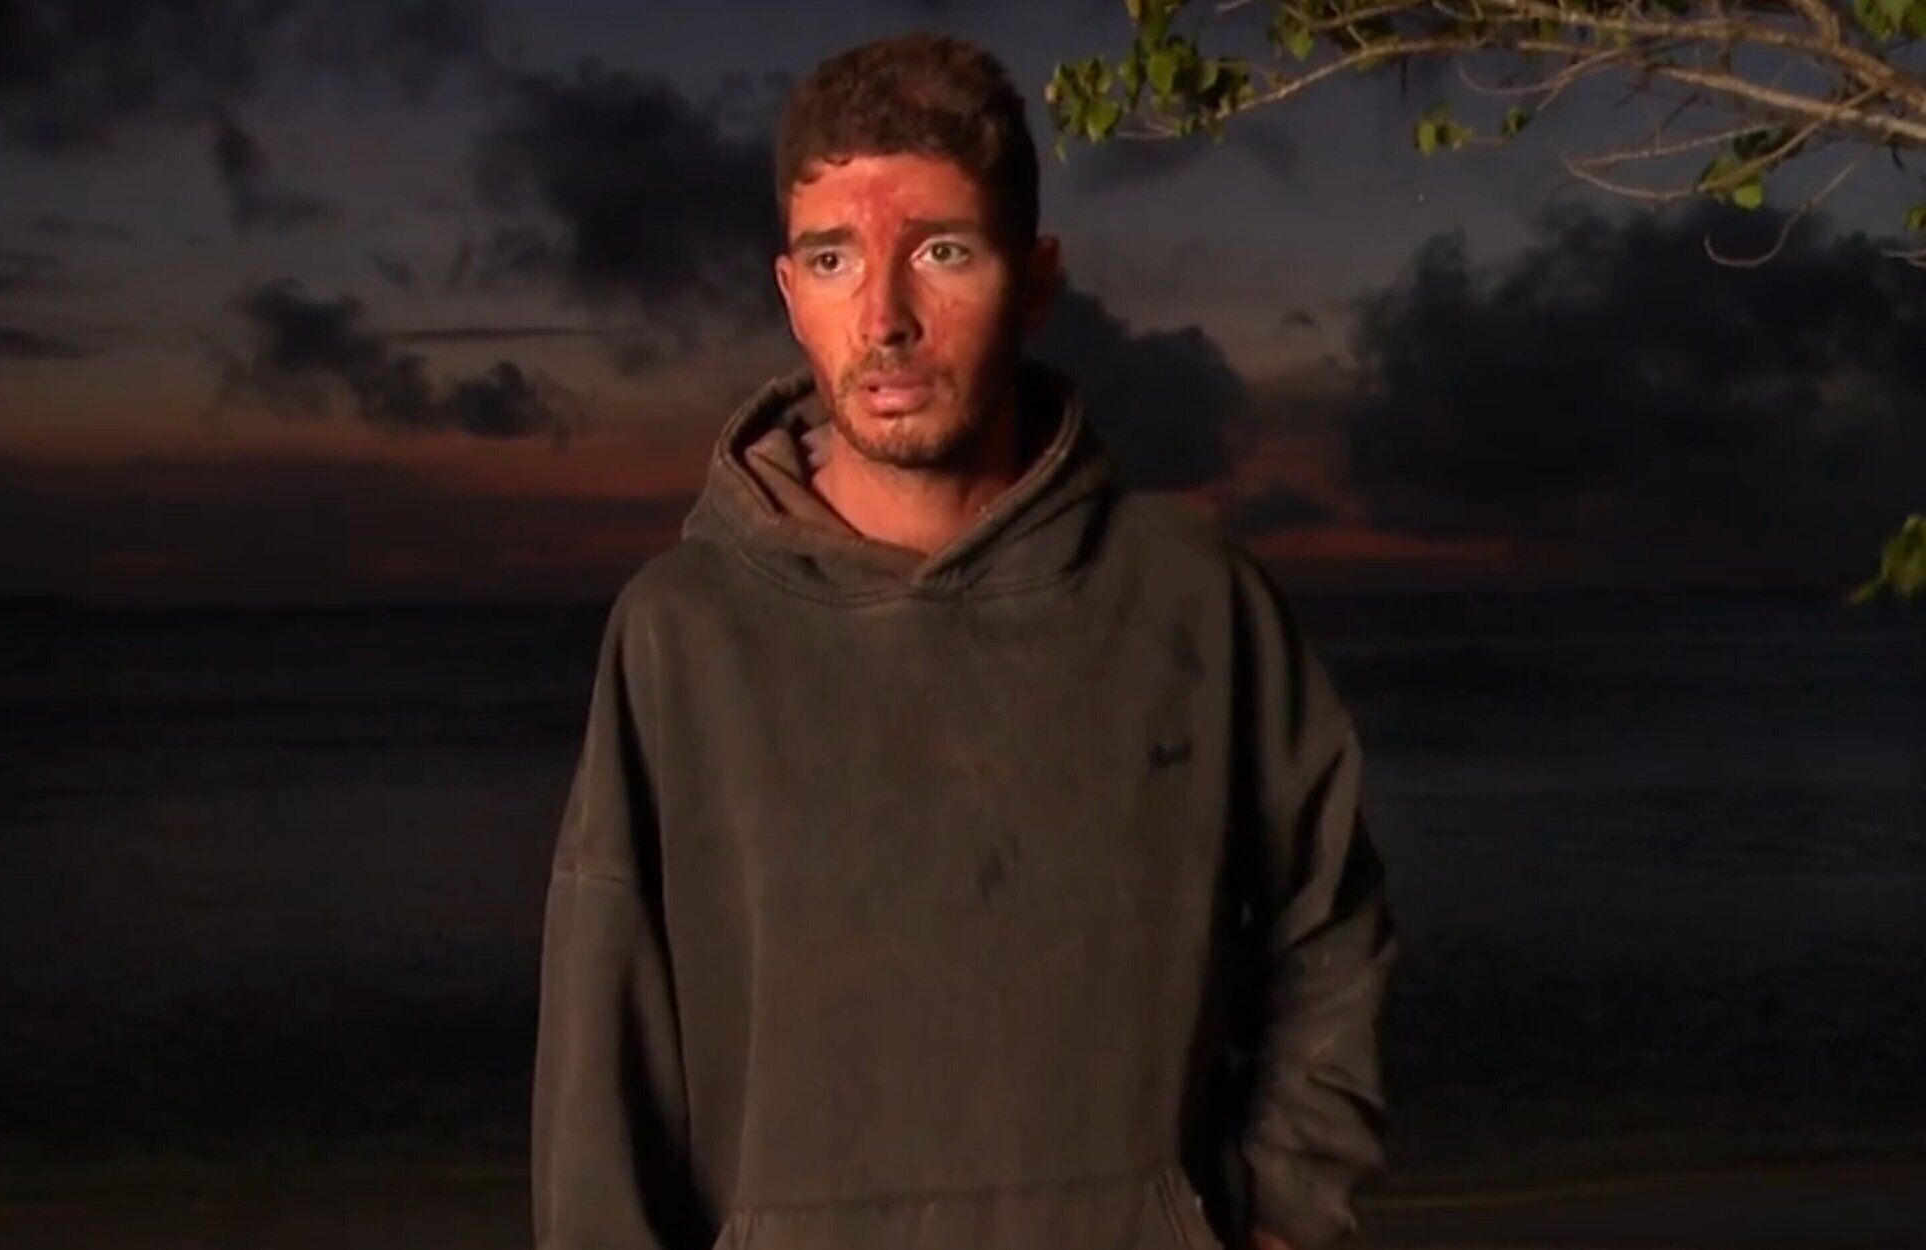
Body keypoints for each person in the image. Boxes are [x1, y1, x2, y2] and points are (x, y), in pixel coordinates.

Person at [532, 31, 1396, 1250]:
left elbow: (1328, 927)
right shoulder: (681, 631)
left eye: (940, 251)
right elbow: (600, 1087)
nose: (882, 318)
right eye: (832, 259)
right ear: (789, 293)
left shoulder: (1191, 596)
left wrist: (1280, 1217)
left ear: (1033, 281)